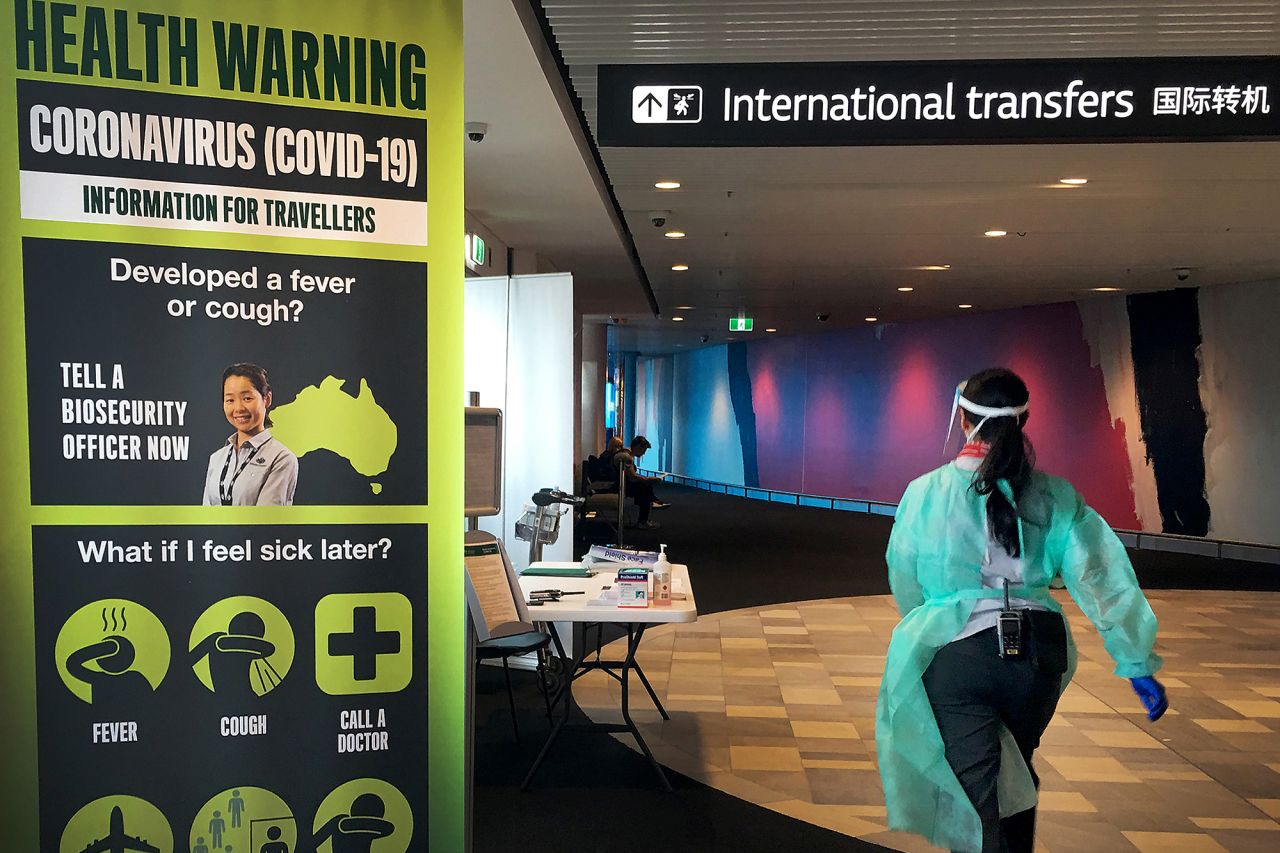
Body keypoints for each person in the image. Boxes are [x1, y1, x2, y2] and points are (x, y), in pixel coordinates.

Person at [875, 368, 1167, 853]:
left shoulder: (925, 493)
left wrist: (930, 631)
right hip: (1038, 654)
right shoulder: (1054, 494)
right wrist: (1135, 661)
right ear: (1024, 419)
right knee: (1017, 769)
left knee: (977, 797)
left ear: (963, 418)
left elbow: (905, 579)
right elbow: (1100, 573)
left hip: (958, 654)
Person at [203, 363, 299, 506]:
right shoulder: (217, 458)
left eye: (247, 398)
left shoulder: (281, 458)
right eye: (230, 400)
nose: (239, 408)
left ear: (267, 399)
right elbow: (205, 518)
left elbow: (266, 522)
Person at [612, 435, 666, 528]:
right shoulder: (626, 456)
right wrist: (648, 479)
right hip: (619, 485)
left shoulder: (626, 454)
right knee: (644, 487)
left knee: (644, 486)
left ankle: (652, 503)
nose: (643, 453)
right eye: (643, 450)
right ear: (638, 447)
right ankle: (643, 520)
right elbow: (632, 476)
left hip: (621, 483)